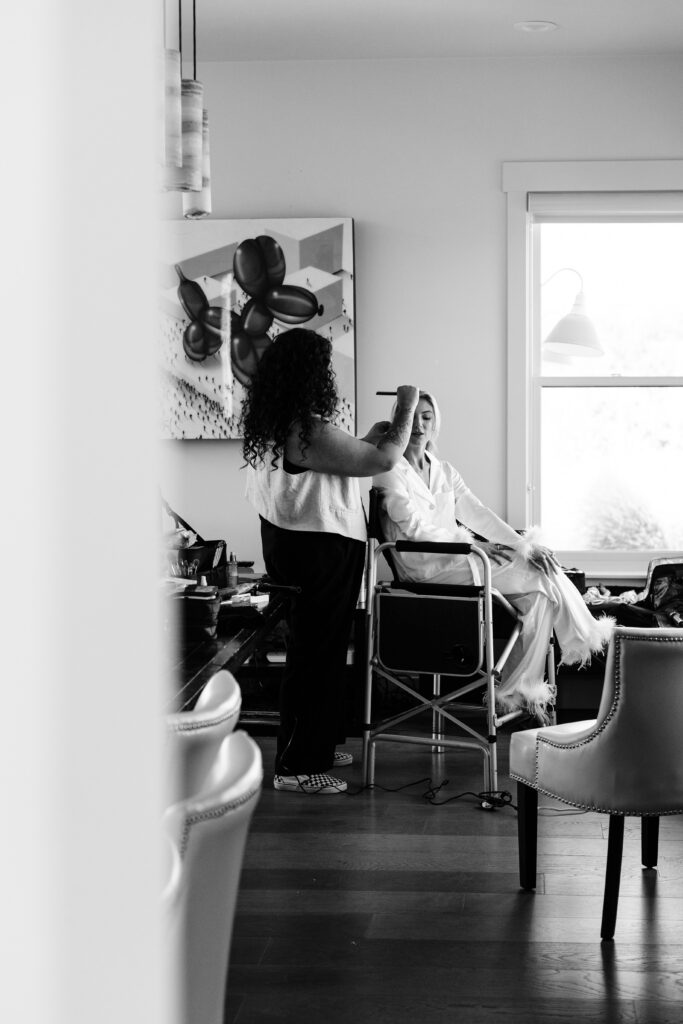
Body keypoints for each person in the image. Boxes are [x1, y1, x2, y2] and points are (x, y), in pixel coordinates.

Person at [241, 328, 419, 794]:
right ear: (308, 374)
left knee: (321, 651)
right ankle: (296, 767)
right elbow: (383, 460)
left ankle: (315, 746)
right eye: (323, 367)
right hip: (316, 551)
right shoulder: (306, 429)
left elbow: (341, 463)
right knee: (314, 655)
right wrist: (406, 404)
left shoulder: (285, 424)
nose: (328, 375)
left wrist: (365, 442)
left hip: (303, 548)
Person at [373, 391, 614, 720]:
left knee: (538, 596)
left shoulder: (444, 470)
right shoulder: (389, 468)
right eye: (412, 416)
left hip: (460, 560)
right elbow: (414, 527)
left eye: (426, 417)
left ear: (435, 424)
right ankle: (580, 636)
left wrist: (523, 545)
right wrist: (471, 546)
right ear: (399, 420)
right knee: (540, 575)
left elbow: (479, 514)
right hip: (424, 566)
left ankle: (516, 689)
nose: (418, 424)